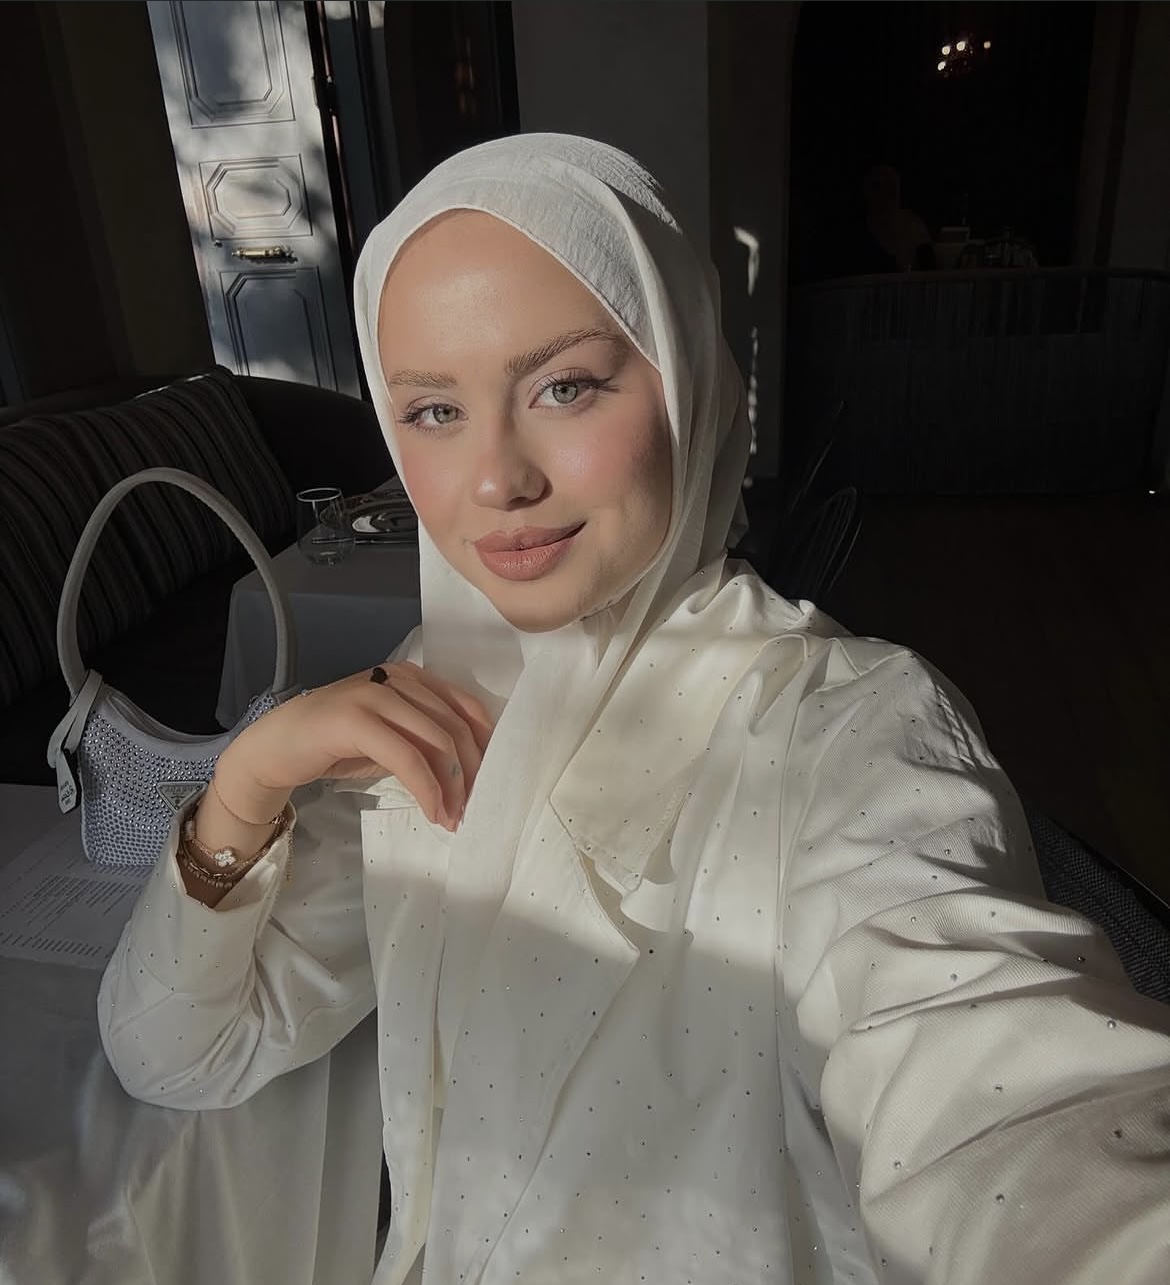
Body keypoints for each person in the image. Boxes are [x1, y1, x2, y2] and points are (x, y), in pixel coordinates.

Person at [99, 135, 1170, 1285]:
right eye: (434, 409)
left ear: (687, 380)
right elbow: (179, 1052)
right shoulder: (434, 698)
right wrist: (249, 781)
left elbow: (996, 1095)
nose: (497, 480)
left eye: (564, 386)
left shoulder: (845, 731)